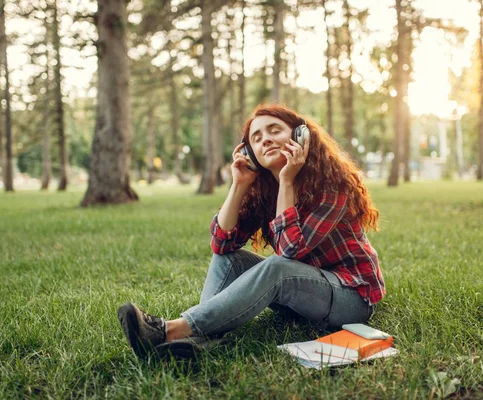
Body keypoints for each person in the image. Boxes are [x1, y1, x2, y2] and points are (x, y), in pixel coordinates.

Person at [118, 104, 385, 358]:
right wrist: (239, 185)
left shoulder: (334, 185)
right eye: (256, 138)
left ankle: (170, 331)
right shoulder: (263, 191)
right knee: (229, 258)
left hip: (352, 297)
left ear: (300, 137)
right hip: (302, 299)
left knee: (277, 267)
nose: (265, 140)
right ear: (249, 153)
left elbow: (290, 252)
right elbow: (221, 245)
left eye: (274, 130)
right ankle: (199, 342)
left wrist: (287, 181)